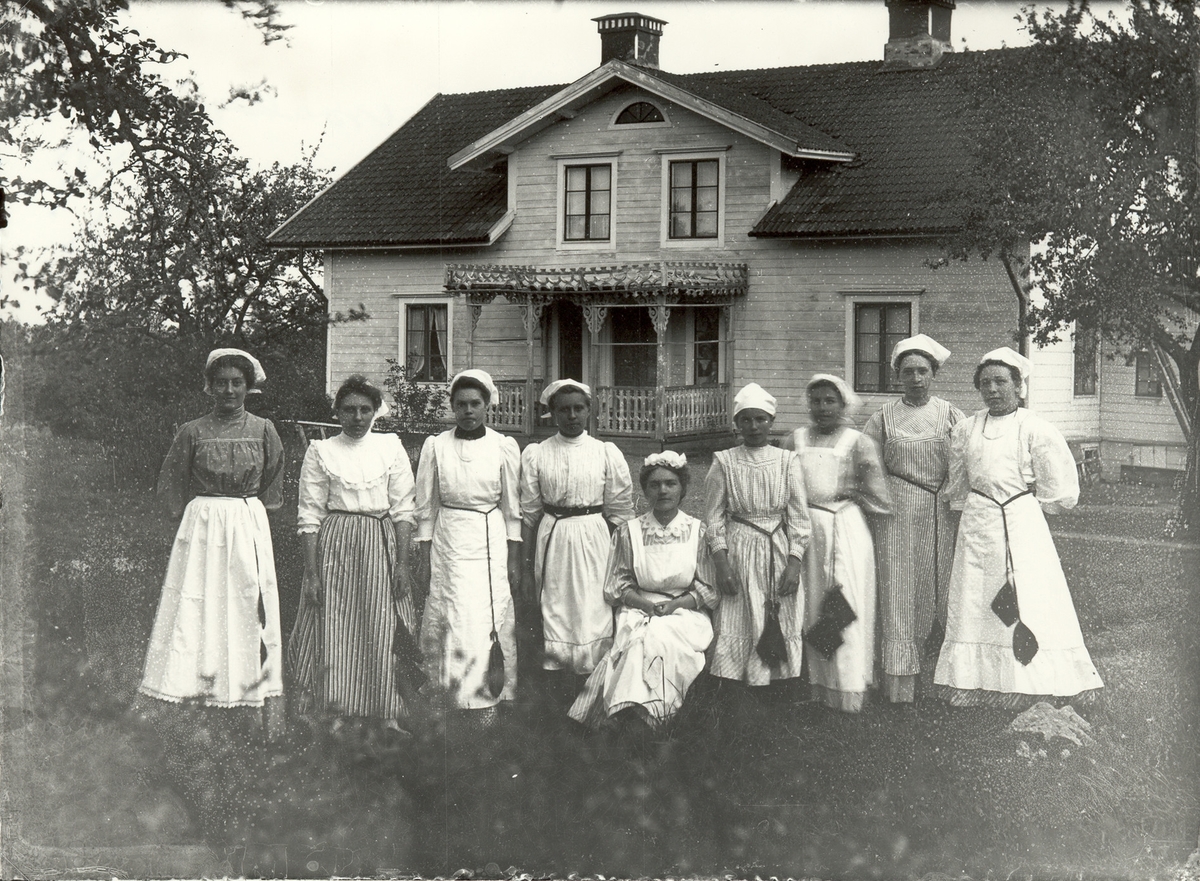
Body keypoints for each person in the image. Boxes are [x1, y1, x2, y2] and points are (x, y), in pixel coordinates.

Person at [934, 348, 1103, 708]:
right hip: (978, 523)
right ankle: (972, 682)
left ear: (1018, 386)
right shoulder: (965, 430)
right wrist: (968, 509)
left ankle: (1027, 680)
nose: (993, 389)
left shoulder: (1034, 428)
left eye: (1000, 381)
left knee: (1028, 596)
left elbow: (1056, 485)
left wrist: (1032, 507)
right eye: (985, 383)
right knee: (976, 597)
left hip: (1021, 520)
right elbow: (959, 484)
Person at [140, 349, 285, 712]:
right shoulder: (192, 431)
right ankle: (190, 684)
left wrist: (252, 512)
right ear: (210, 387)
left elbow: (272, 480)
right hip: (203, 523)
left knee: (246, 601)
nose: (229, 390)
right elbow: (172, 479)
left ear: (248, 386)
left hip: (246, 520)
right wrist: (183, 516)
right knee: (197, 600)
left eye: (237, 383)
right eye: (221, 383)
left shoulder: (263, 429)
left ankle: (247, 689)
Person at [287, 375, 417, 730]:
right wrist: (312, 573)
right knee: (336, 623)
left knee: (383, 625)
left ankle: (387, 712)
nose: (357, 417)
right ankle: (336, 711)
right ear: (337, 412)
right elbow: (309, 514)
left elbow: (404, 509)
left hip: (380, 542)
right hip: (336, 544)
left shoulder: (390, 446)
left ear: (376, 411)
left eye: (364, 409)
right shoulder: (321, 451)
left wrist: (402, 564)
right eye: (349, 410)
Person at [569, 452, 718, 730]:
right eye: (655, 484)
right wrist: (646, 605)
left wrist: (675, 605)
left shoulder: (697, 532)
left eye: (671, 483)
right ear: (645, 490)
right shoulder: (630, 532)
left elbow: (708, 589)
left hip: (685, 613)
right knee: (641, 638)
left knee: (658, 637)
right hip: (639, 609)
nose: (663, 491)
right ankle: (638, 716)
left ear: (682, 488)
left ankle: (644, 716)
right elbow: (616, 587)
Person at [414, 369, 522, 723]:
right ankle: (448, 693)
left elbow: (512, 508)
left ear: (487, 405)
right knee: (452, 610)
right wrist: (424, 554)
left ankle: (488, 696)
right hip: (449, 537)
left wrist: (514, 557)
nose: (468, 411)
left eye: (475, 403)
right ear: (452, 406)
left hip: (489, 537)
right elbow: (426, 506)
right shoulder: (436, 446)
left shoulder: (503, 446)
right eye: (461, 404)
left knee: (485, 612)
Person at [863, 335, 965, 704]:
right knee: (899, 590)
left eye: (923, 371)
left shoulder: (951, 415)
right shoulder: (882, 418)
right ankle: (900, 685)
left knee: (942, 587)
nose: (916, 379)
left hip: (941, 511)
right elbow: (867, 466)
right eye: (908, 372)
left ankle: (944, 679)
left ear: (934, 373)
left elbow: (964, 464)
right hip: (896, 512)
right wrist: (880, 504)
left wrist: (954, 499)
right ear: (898, 376)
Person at [519, 379, 635, 697]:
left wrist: (624, 564)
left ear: (588, 411)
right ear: (553, 413)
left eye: (578, 408)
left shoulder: (605, 452)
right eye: (564, 410)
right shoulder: (538, 453)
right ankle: (557, 691)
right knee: (556, 611)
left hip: (594, 538)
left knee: (593, 611)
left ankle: (594, 691)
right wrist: (526, 569)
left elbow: (620, 513)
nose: (572, 416)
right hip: (554, 539)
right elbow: (529, 515)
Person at [787, 374, 891, 713]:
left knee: (844, 602)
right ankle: (817, 686)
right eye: (816, 401)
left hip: (844, 527)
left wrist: (852, 494)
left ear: (842, 404)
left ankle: (849, 688)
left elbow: (879, 496)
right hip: (806, 531)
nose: (822, 408)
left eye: (829, 401)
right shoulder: (794, 440)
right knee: (812, 604)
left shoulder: (857, 442)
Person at [704, 383, 811, 690]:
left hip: (777, 545)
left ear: (771, 421)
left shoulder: (787, 461)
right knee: (739, 610)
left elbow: (799, 518)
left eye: (760, 419)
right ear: (737, 423)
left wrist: (794, 563)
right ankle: (735, 683)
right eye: (746, 420)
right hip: (739, 546)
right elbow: (713, 517)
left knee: (780, 608)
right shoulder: (724, 461)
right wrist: (722, 563)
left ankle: (779, 681)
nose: (753, 426)